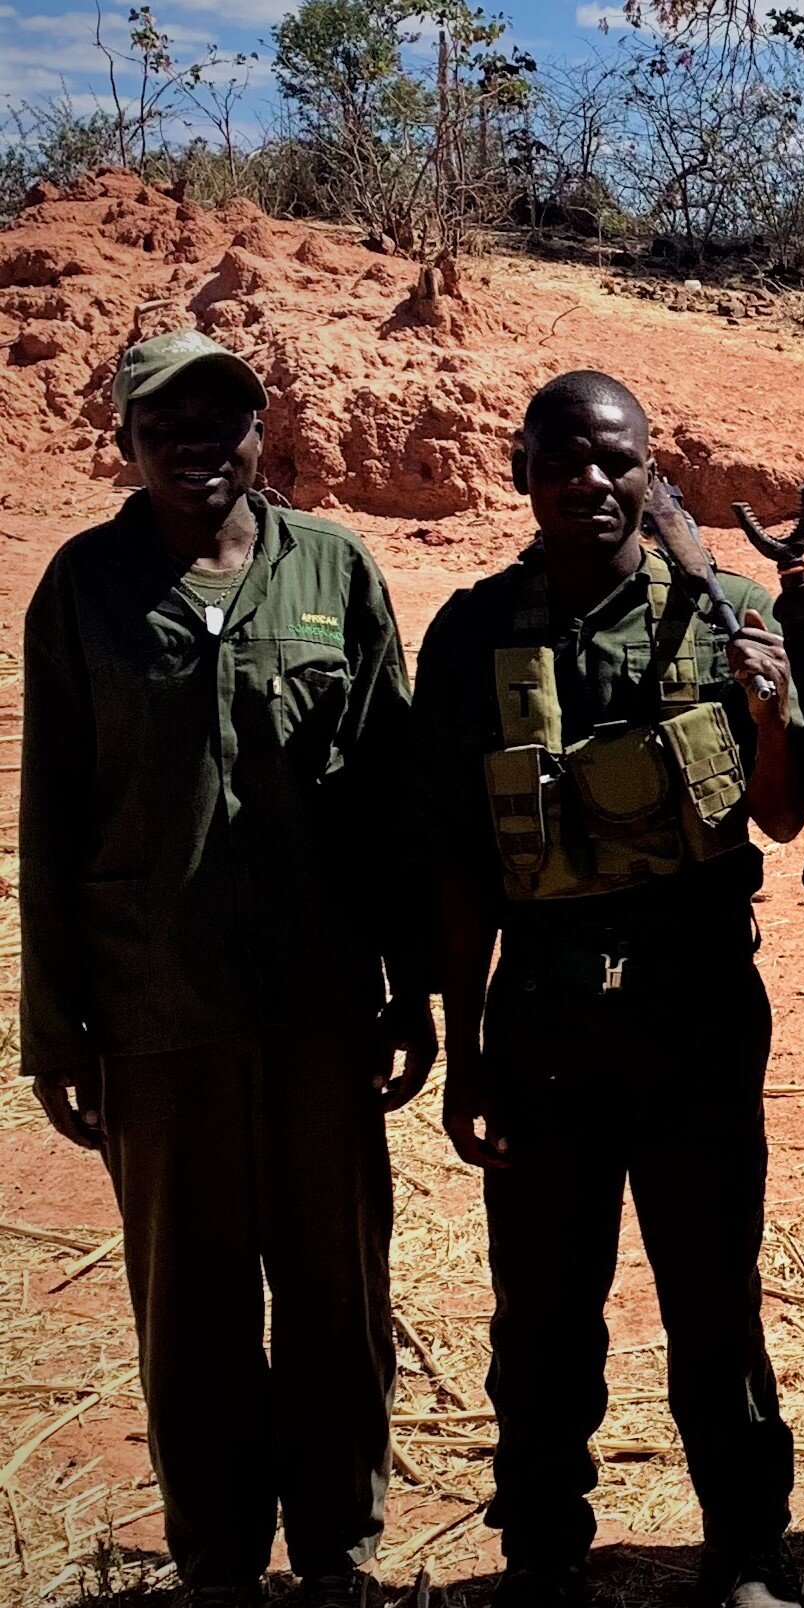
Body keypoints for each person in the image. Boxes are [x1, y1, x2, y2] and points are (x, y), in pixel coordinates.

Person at [20, 330, 434, 1608]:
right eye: (167, 422)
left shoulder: (335, 570)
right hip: (156, 1012)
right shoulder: (82, 587)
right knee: (189, 1311)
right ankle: (215, 1562)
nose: (198, 441)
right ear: (126, 441)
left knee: (334, 1297)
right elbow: (51, 814)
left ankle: (337, 1555)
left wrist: (408, 988)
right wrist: (55, 1028)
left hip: (317, 1009)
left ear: (264, 431)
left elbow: (390, 798)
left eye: (223, 417)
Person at [411, 371, 804, 1608]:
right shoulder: (475, 635)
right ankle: (544, 1553)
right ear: (522, 473)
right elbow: (459, 864)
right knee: (541, 1322)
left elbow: (784, 815)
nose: (589, 482)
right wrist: (464, 1048)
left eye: (615, 460)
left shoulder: (727, 612)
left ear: (653, 471)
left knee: (714, 1304)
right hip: (541, 1033)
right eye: (562, 461)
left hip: (695, 1023)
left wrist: (775, 707)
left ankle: (744, 1549)